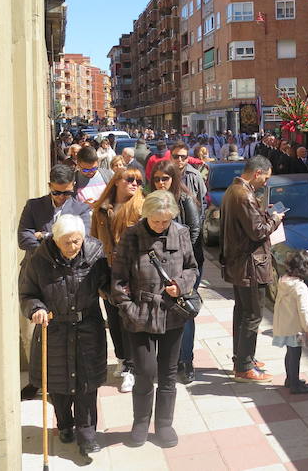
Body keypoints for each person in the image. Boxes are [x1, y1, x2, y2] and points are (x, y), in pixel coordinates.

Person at [111, 191, 198, 448]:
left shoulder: (181, 233)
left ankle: (164, 424)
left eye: (166, 221)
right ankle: (140, 422)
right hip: (140, 313)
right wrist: (128, 308)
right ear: (145, 215)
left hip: (172, 313)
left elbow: (192, 267)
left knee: (168, 374)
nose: (161, 225)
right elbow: (117, 279)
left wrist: (181, 285)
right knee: (145, 372)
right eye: (156, 221)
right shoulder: (131, 235)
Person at [19, 214, 109, 458]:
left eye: (77, 241)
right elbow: (27, 293)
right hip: (54, 328)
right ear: (56, 240)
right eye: (67, 242)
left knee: (87, 385)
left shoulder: (95, 254)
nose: (73, 247)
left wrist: (112, 290)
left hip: (88, 328)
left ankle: (87, 435)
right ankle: (65, 425)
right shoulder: (39, 259)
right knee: (58, 384)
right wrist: (36, 309)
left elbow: (108, 282)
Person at [219, 155, 285, 383]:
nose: (265, 183)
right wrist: (275, 219)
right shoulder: (244, 195)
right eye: (265, 178)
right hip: (249, 265)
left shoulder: (234, 190)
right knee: (252, 315)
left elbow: (248, 224)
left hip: (240, 263)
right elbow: (257, 231)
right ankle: (244, 367)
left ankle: (243, 358)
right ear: (257, 173)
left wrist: (264, 213)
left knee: (243, 312)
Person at [91, 167, 145, 393]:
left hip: (134, 273)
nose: (134, 183)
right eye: (129, 179)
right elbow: (94, 241)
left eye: (138, 180)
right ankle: (123, 359)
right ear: (116, 182)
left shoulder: (141, 207)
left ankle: (131, 368)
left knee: (129, 320)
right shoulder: (101, 209)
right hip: (109, 271)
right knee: (113, 319)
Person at [149, 161, 203, 383]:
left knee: (185, 310)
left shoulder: (184, 198)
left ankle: (186, 360)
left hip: (186, 265)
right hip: (159, 266)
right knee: (165, 310)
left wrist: (180, 255)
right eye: (157, 179)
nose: (161, 183)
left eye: (165, 178)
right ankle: (169, 359)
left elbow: (195, 228)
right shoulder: (152, 200)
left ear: (174, 179)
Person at [271, 249, 308, 394]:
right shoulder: (300, 287)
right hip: (295, 328)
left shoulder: (283, 280)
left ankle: (290, 379)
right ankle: (295, 385)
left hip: (283, 325)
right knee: (295, 355)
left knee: (289, 354)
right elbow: (304, 311)